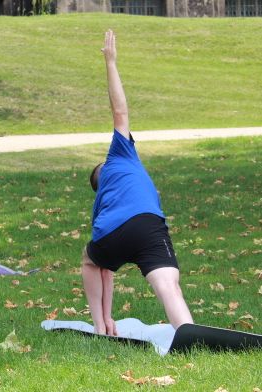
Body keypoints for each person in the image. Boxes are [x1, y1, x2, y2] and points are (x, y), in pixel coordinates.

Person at [82, 30, 193, 335]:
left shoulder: (100, 203)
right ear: (103, 168)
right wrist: (111, 62)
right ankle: (189, 333)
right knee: (169, 285)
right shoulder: (120, 155)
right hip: (148, 225)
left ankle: (101, 325)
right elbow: (120, 111)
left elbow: (104, 269)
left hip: (113, 232)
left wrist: (106, 315)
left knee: (92, 262)